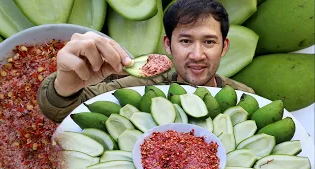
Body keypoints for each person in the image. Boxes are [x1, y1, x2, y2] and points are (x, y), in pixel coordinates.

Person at [37, 0, 254, 122]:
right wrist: (65, 86)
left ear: (224, 47)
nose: (197, 55)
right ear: (168, 45)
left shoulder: (246, 99)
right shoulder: (141, 86)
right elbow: (65, 111)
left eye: (209, 42)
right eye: (186, 41)